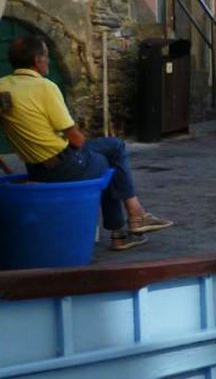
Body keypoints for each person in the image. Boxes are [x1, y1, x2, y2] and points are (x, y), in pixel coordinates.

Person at [0, 36, 172, 251]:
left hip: (35, 168)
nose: (49, 62)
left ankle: (127, 227)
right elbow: (76, 138)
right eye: (46, 57)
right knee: (114, 152)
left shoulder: (2, 86)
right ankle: (133, 217)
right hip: (63, 165)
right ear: (37, 60)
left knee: (108, 155)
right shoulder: (44, 87)